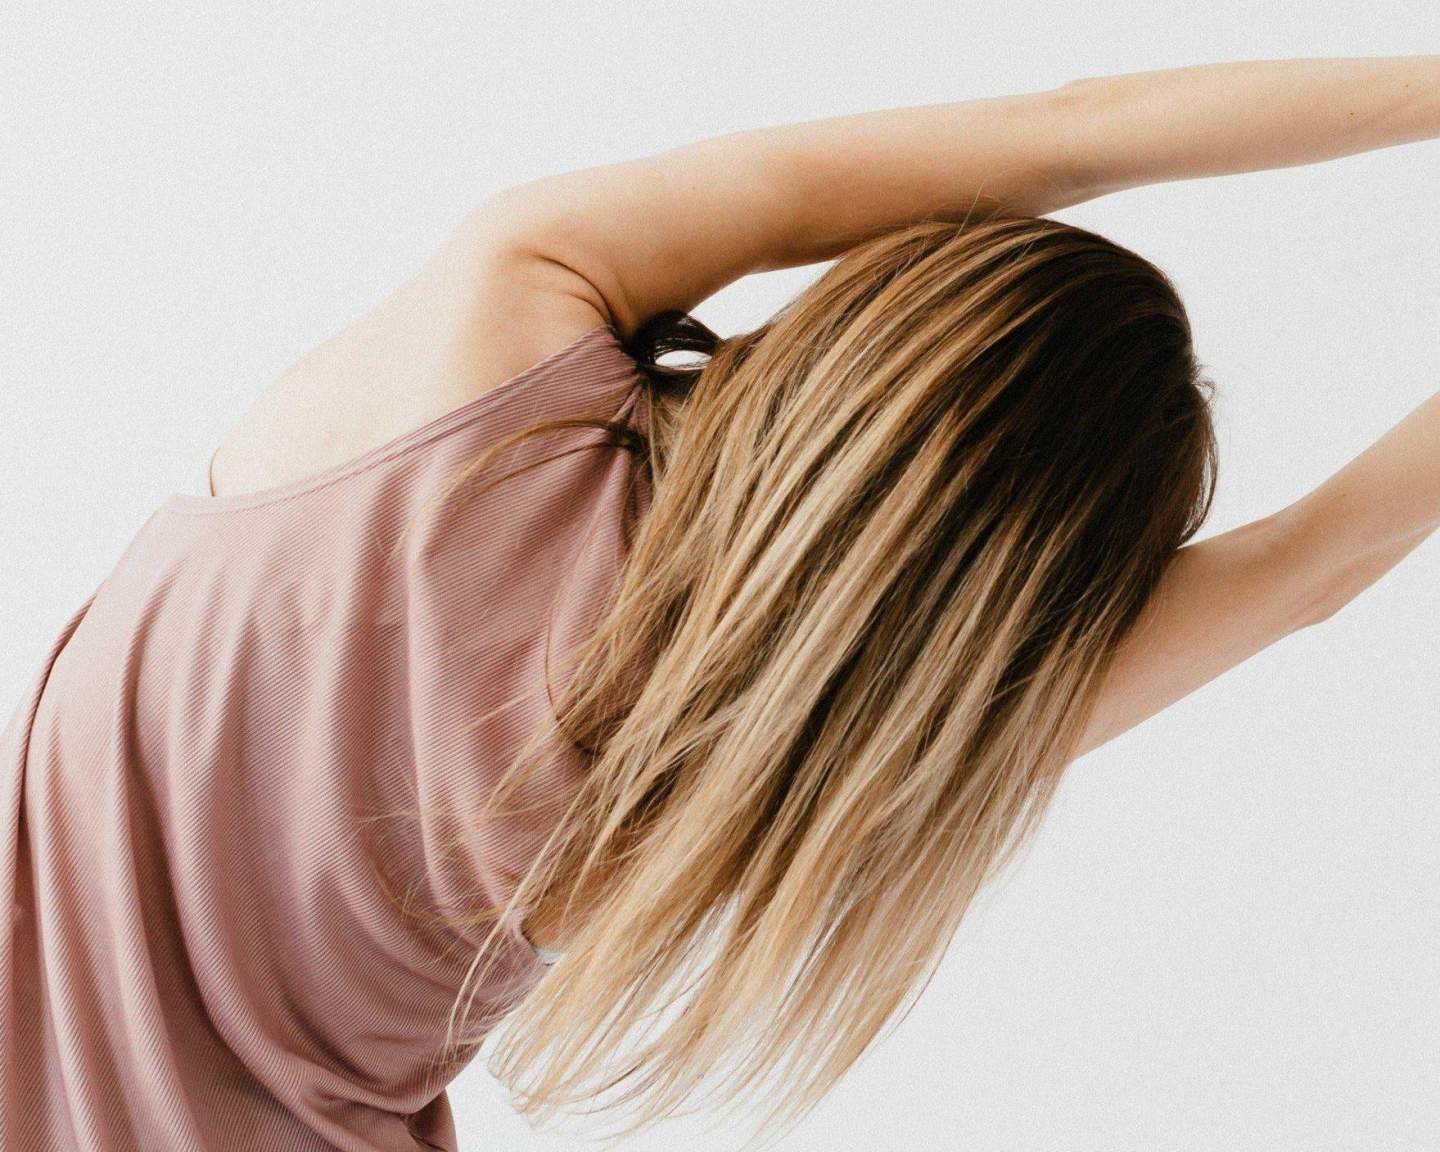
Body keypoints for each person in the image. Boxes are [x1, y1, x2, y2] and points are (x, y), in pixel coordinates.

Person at [2, 54, 1438, 1151]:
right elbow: (1320, 563)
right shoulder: (788, 760)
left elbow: (1078, 132)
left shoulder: (499, 323)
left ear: (873, 304)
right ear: (1033, 593)